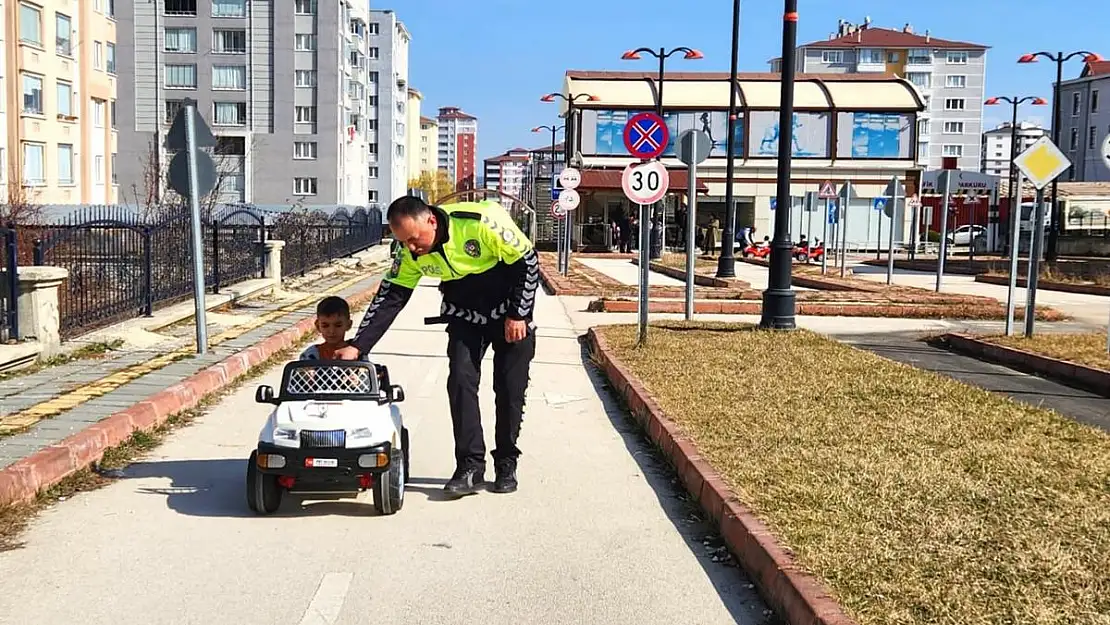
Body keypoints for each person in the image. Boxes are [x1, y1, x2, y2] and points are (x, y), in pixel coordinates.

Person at [332, 195, 539, 498]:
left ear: (431, 220)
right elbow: (391, 297)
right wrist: (357, 346)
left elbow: (528, 261)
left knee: (509, 388)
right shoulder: (408, 253)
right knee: (460, 381)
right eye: (404, 242)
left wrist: (518, 314)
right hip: (465, 313)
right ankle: (470, 466)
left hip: (509, 310)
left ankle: (506, 461)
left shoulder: (479, 222)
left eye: (414, 240)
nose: (412, 249)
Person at [300, 296, 354, 361]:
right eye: (325, 326)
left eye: (338, 325)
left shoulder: (355, 354)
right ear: (318, 326)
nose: (331, 331)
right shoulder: (310, 355)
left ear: (348, 325)